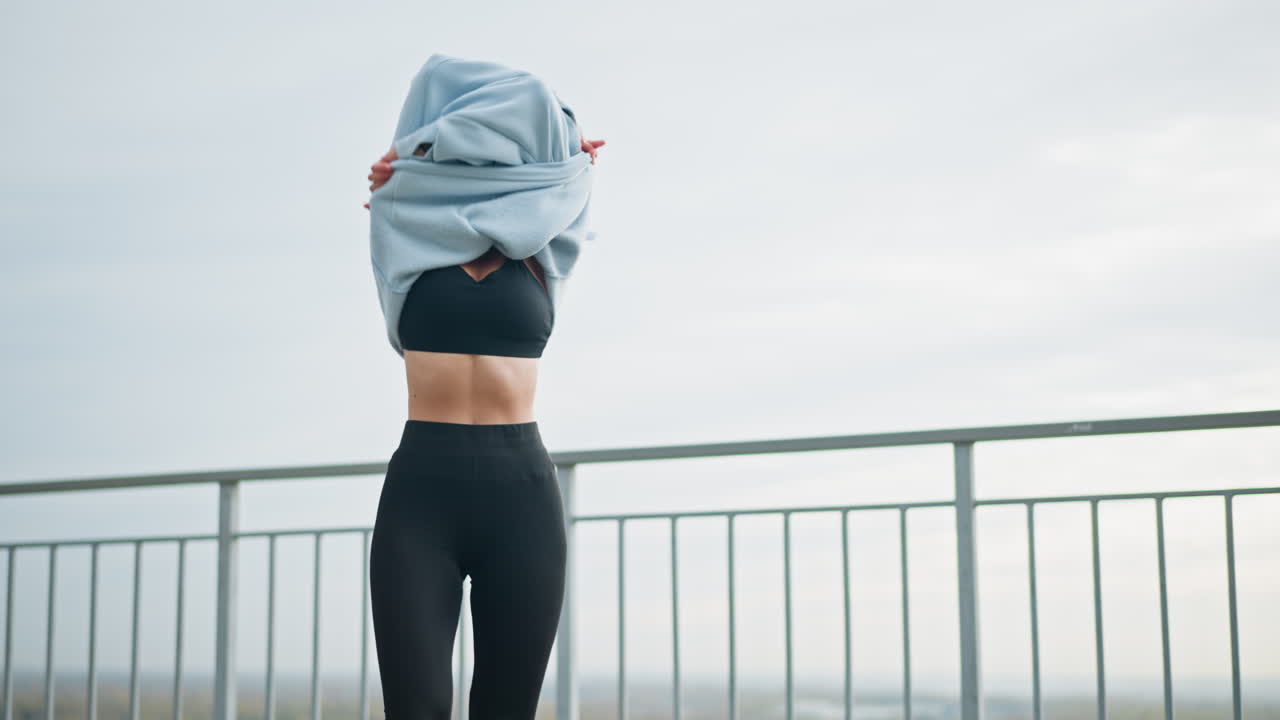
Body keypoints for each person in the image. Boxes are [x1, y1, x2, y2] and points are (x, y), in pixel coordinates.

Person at [362, 53, 604, 720]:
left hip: (521, 498)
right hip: (421, 499)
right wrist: (398, 170)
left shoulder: (545, 240)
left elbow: (565, 168)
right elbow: (397, 169)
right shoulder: (401, 222)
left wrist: (569, 152)